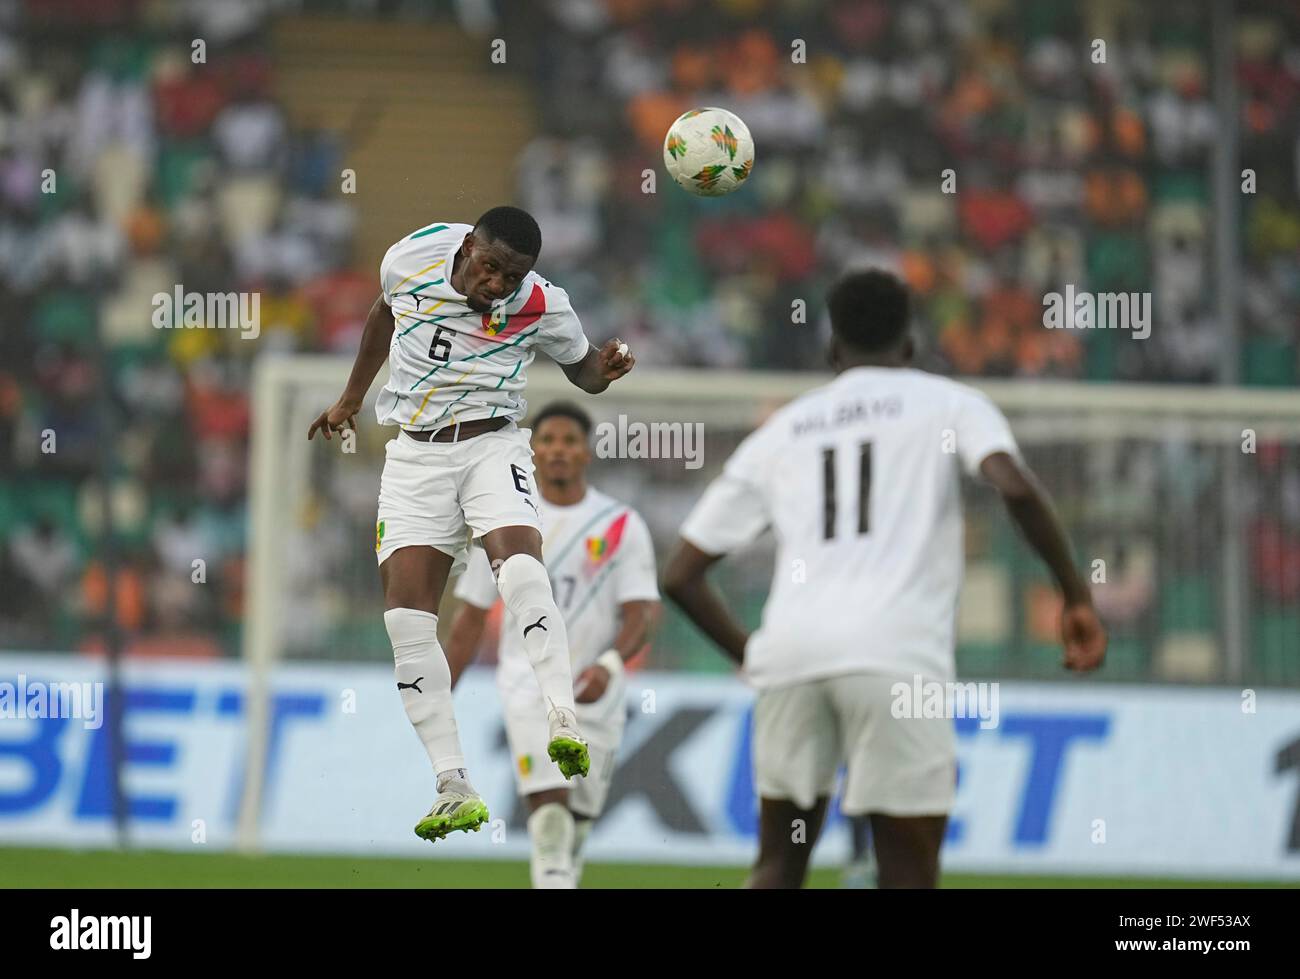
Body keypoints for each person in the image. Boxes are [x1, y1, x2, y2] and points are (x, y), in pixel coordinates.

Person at [662, 268, 1107, 888]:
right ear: (910, 345)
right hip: (896, 656)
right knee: (907, 874)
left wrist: (754, 656)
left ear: (832, 350)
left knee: (777, 866)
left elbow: (681, 574)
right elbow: (1015, 486)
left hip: (793, 653)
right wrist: (1074, 595)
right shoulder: (949, 402)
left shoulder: (784, 429)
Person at [308, 207, 635, 842]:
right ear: (468, 248)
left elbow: (584, 372)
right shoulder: (411, 256)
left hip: (493, 444)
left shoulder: (542, 302)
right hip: (414, 455)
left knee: (518, 570)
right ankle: (452, 783)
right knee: (406, 623)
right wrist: (351, 397)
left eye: (513, 276)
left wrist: (610, 364)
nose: (498, 285)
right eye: (490, 268)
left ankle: (562, 718)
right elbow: (384, 311)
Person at [447, 401, 660, 887]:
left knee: (576, 826)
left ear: (587, 452)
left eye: (569, 441)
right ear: (532, 451)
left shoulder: (621, 524)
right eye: (547, 441)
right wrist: (440, 693)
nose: (558, 450)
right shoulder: (502, 523)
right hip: (528, 685)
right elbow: (471, 618)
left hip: (596, 687)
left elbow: (643, 614)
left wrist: (608, 665)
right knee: (549, 818)